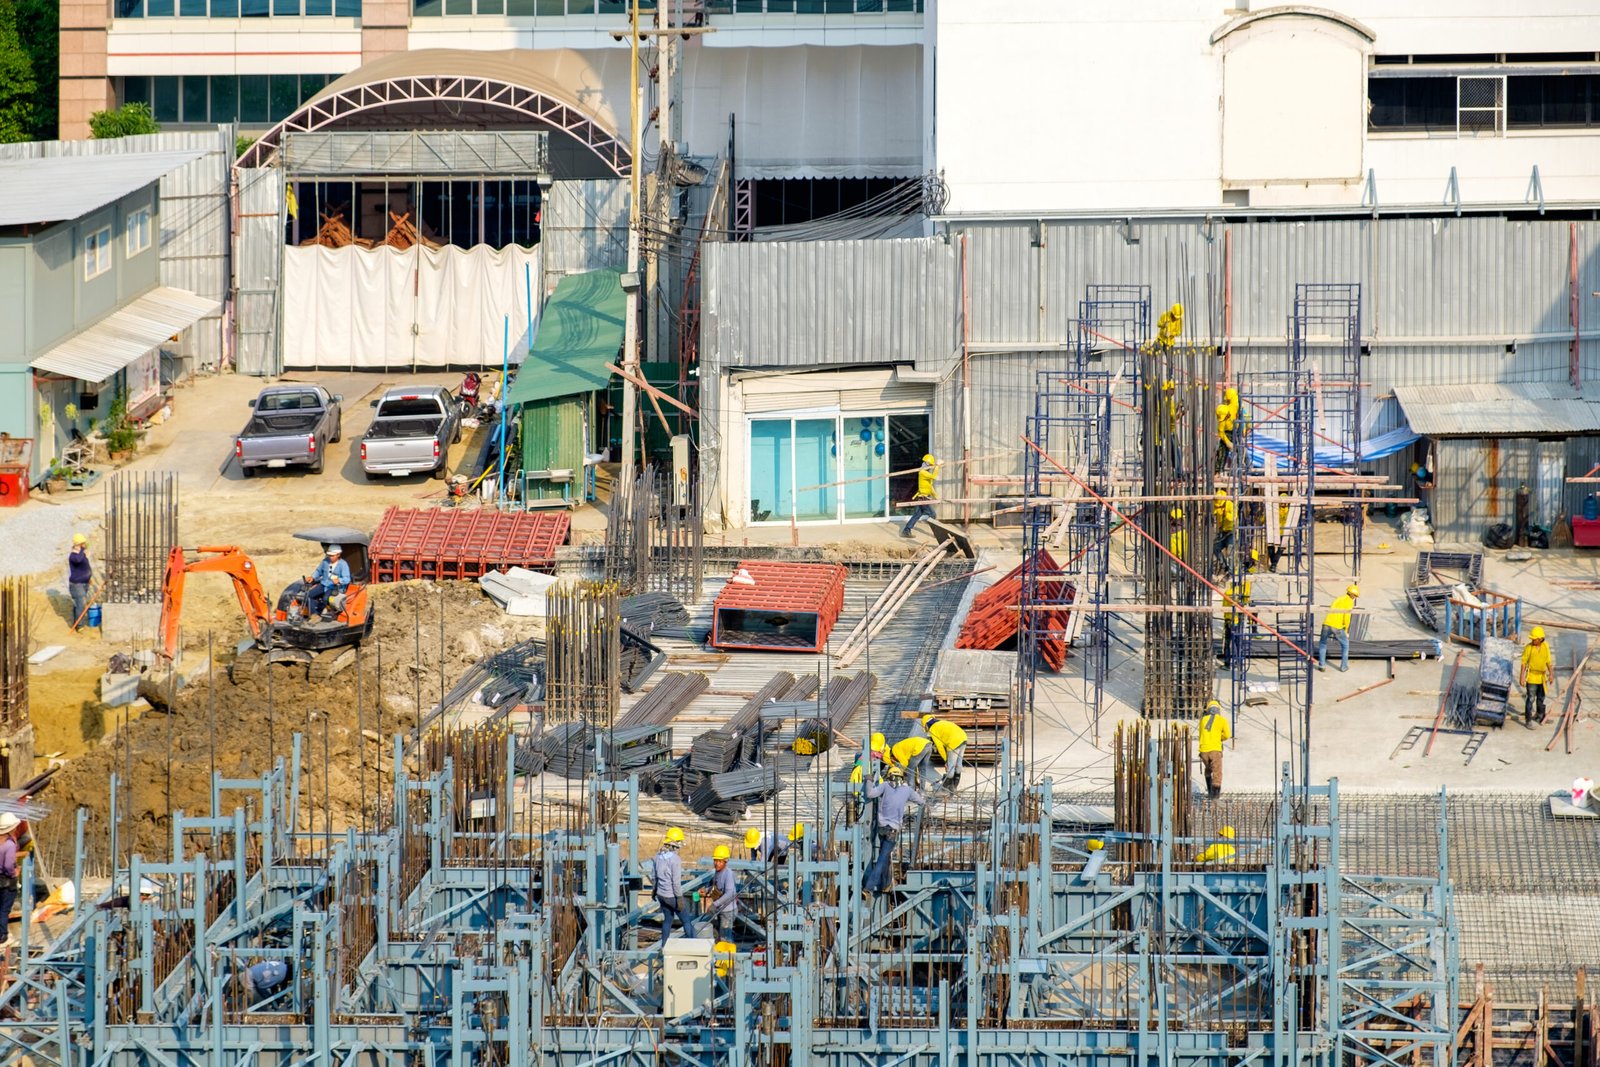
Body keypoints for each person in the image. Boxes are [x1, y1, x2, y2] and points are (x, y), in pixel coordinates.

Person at [863, 763, 924, 897]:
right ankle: (868, 886)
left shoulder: (885, 785)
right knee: (882, 858)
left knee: (884, 858)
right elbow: (921, 801)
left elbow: (869, 793)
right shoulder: (907, 790)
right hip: (893, 830)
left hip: (881, 828)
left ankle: (885, 884)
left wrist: (868, 780)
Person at [652, 827, 696, 947]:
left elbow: (654, 876)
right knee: (686, 920)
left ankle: (664, 946)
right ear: (675, 844)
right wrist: (679, 898)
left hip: (661, 895)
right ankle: (693, 946)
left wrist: (654, 891)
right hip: (671, 896)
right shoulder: (675, 859)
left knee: (668, 919)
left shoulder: (657, 857)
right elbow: (676, 883)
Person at [916, 714, 969, 791]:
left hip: (953, 742)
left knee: (950, 767)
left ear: (926, 725)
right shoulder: (941, 722)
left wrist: (946, 760)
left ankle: (945, 789)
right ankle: (954, 787)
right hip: (963, 738)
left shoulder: (933, 729)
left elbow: (940, 747)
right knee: (958, 763)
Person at [1316, 584, 1359, 673]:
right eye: (1355, 596)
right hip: (1337, 627)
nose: (1355, 598)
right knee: (1345, 645)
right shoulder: (1349, 602)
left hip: (1326, 624)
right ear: (1352, 595)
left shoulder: (1338, 598)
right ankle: (1344, 667)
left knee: (1323, 643)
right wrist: (1346, 630)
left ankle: (1322, 665)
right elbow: (1346, 617)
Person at [1519, 626, 1556, 726]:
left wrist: (1551, 674)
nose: (1532, 640)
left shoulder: (1545, 646)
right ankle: (1528, 720)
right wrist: (1522, 677)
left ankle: (1540, 716)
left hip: (1542, 678)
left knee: (1541, 698)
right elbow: (1524, 663)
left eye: (1534, 639)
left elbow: (1548, 661)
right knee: (1531, 698)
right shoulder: (1528, 648)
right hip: (1532, 677)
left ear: (1539, 639)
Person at [303, 544, 351, 620]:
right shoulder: (325, 562)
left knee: (325, 598)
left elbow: (347, 579)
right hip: (324, 584)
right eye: (329, 555)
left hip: (335, 587)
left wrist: (339, 580)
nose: (330, 557)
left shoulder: (343, 564)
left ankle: (325, 612)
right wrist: (312, 577)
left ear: (338, 555)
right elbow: (318, 571)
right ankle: (314, 614)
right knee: (308, 595)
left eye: (332, 555)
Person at [1197, 700, 1231, 800]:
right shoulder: (1221, 720)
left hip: (1203, 751)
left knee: (1208, 770)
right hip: (1215, 750)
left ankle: (1210, 792)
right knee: (1217, 772)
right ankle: (1215, 797)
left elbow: (1201, 735)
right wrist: (1219, 738)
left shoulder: (1203, 720)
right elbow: (1227, 735)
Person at [900, 454, 940, 537]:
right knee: (933, 515)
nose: (930, 467)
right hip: (922, 498)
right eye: (929, 465)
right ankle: (938, 534)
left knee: (917, 515)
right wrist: (937, 466)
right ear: (926, 464)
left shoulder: (925, 473)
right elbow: (934, 476)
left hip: (922, 498)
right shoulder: (922, 472)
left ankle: (906, 531)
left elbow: (930, 486)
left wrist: (936, 497)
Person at [708, 845, 738, 940]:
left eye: (720, 861)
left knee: (725, 938)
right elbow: (716, 887)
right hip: (721, 910)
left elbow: (730, 893)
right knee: (722, 936)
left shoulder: (728, 874)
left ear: (725, 861)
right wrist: (707, 890)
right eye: (715, 861)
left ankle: (728, 954)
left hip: (728, 911)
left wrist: (715, 904)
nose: (717, 863)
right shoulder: (718, 872)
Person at [0, 813, 18, 946]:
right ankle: (2, 935)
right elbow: (8, 865)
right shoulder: (9, 845)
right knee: (4, 909)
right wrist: (14, 873)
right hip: (6, 880)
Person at [68, 533, 92, 630]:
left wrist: (89, 578)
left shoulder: (82, 555)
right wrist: (82, 551)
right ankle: (79, 625)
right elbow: (78, 560)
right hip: (77, 584)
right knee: (80, 604)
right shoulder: (73, 556)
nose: (85, 545)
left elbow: (85, 567)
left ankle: (77, 622)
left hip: (84, 583)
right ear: (78, 544)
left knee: (78, 604)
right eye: (83, 544)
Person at [1215, 387, 1240, 472]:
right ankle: (1218, 472)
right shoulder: (1225, 410)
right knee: (1222, 454)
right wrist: (1227, 442)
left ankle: (1240, 469)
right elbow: (1220, 431)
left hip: (1234, 432)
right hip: (1227, 433)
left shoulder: (1237, 408)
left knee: (1240, 451)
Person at [1212, 489, 1236, 571]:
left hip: (1230, 531)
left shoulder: (1230, 505)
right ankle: (1224, 565)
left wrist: (1226, 514)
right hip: (1221, 531)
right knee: (1215, 547)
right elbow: (1214, 512)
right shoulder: (1217, 505)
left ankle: (1231, 571)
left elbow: (1234, 517)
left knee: (1230, 551)